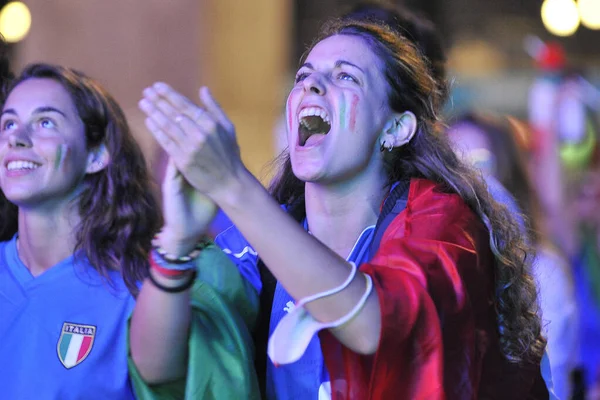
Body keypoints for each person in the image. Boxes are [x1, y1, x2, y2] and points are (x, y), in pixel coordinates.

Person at [137, 19, 548, 399]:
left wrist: (233, 185)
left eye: (345, 76)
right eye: (304, 76)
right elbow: (156, 366)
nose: (311, 86)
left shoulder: (441, 222)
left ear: (395, 128)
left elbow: (374, 325)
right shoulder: (262, 239)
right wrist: (177, 239)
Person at [0, 63, 258, 399]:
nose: (15, 138)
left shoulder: (142, 282)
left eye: (45, 122)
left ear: (96, 155)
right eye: (8, 123)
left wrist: (178, 242)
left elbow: (162, 374)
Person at [448, 112, 580, 400]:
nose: (466, 178)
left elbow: (554, 379)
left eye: (479, 162)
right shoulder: (431, 264)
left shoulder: (543, 269)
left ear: (506, 171)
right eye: (453, 162)